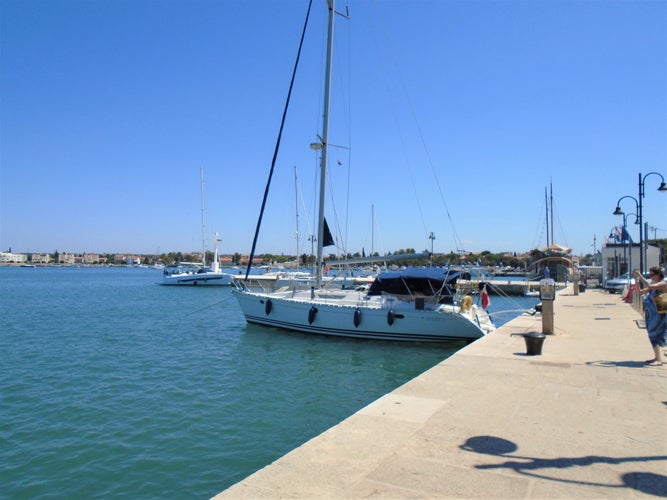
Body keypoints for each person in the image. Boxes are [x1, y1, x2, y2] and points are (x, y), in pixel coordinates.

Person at [633, 267, 667, 366]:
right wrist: (637, 280)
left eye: (652, 275)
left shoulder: (663, 283)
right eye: (650, 275)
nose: (651, 277)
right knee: (652, 335)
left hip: (660, 315)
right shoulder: (653, 285)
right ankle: (656, 357)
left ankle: (659, 359)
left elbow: (650, 286)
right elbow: (639, 292)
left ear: (658, 274)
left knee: (655, 335)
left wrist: (640, 275)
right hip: (651, 315)